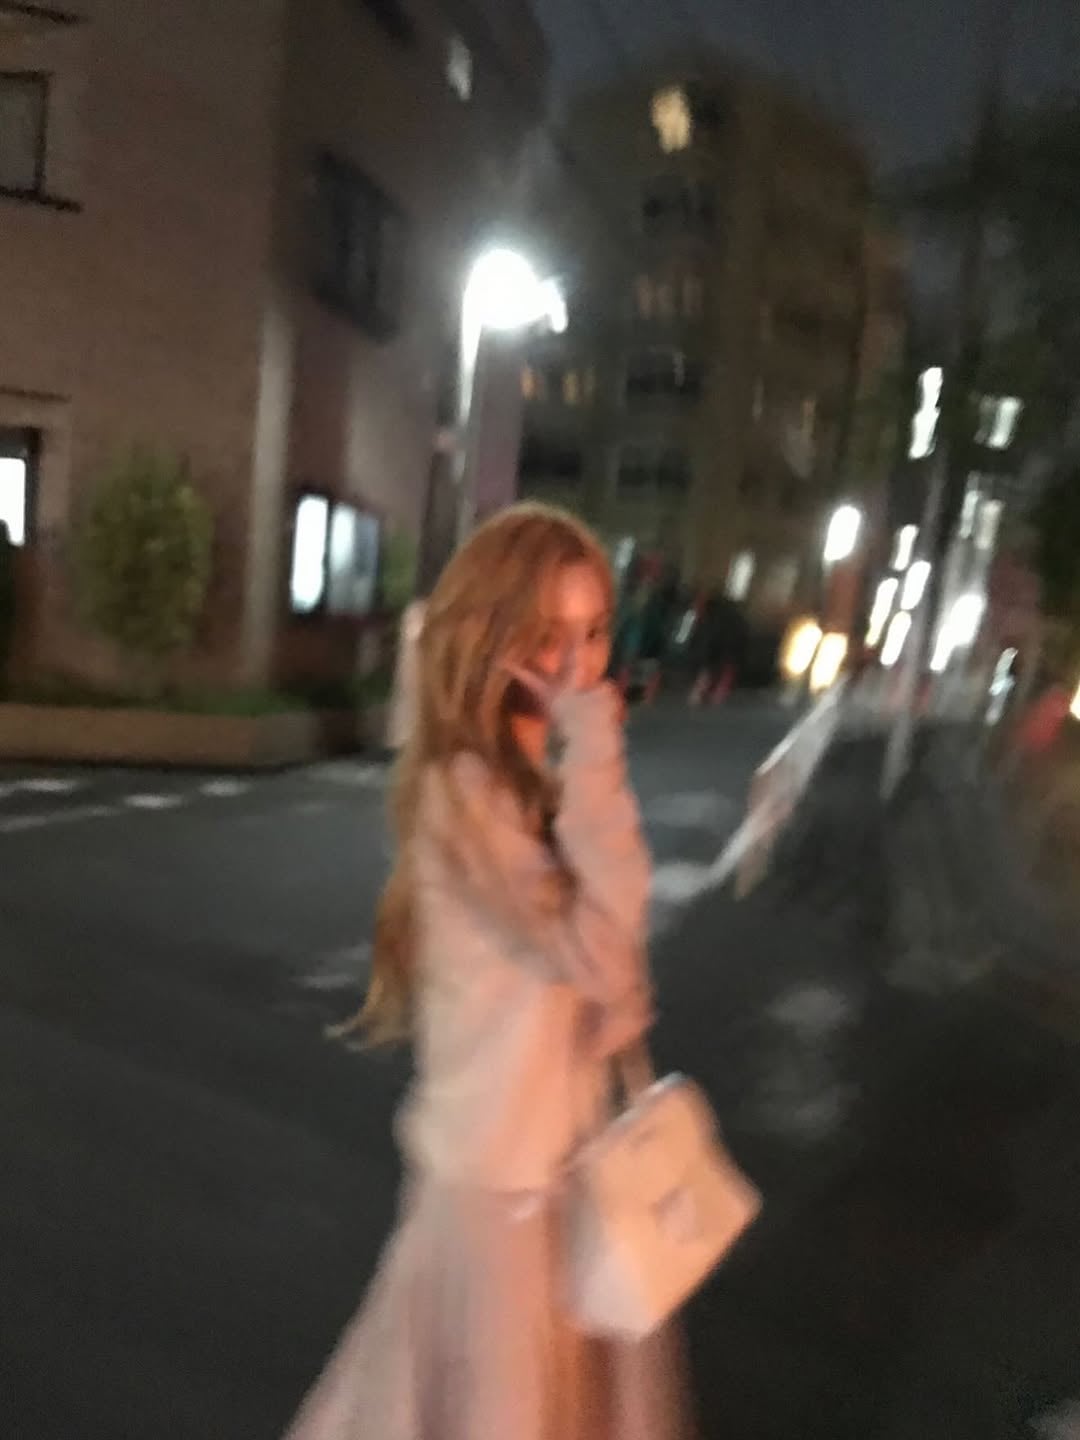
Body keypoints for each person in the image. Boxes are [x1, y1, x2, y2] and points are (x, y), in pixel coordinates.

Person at [285, 503, 692, 1440]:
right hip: (496, 1199)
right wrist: (596, 745)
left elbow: (599, 961)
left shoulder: (526, 783)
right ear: (492, 636)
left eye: (593, 633)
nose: (576, 664)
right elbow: (600, 946)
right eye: (547, 634)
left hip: (554, 1174)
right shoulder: (469, 796)